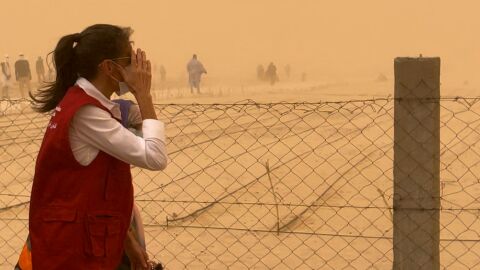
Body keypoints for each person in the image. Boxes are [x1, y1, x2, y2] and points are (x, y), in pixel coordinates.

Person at [21, 24, 168, 270]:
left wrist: (128, 242)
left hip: (81, 240)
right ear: (109, 68)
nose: (137, 68)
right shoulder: (87, 113)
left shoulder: (88, 105)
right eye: (129, 60)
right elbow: (155, 157)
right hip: (72, 248)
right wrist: (143, 94)